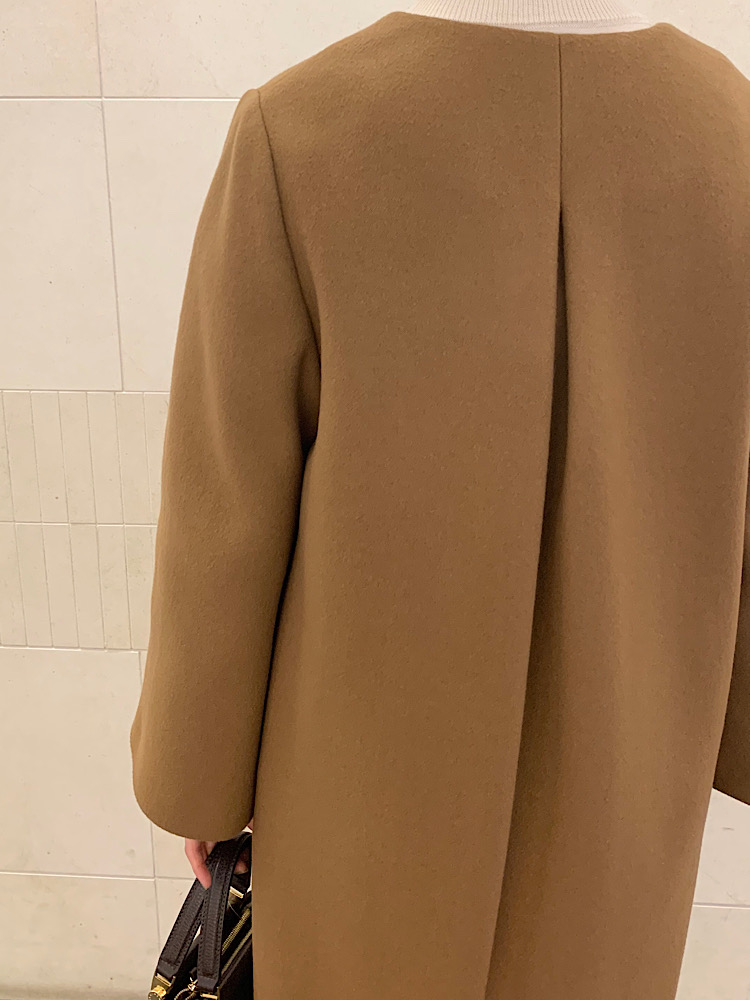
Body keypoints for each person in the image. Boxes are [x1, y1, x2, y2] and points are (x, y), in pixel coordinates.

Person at [130, 2, 750, 997]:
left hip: (356, 799)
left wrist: (201, 774)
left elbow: (226, 519)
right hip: (624, 793)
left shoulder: (301, 131)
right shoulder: (733, 132)